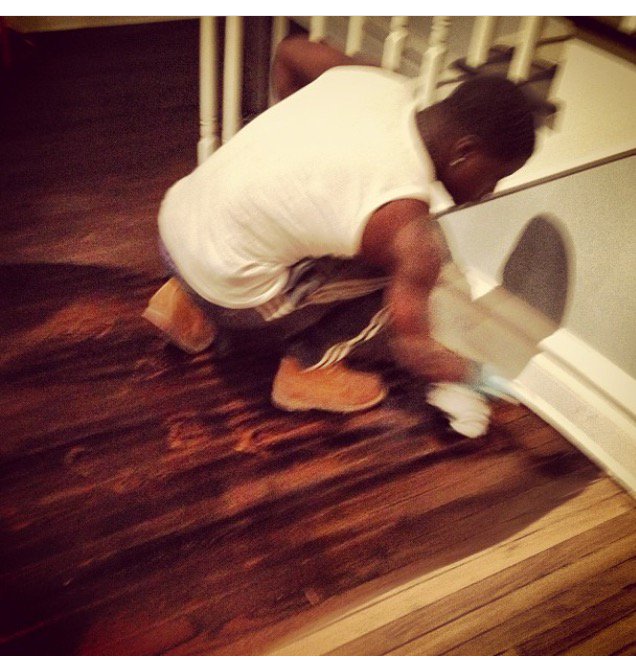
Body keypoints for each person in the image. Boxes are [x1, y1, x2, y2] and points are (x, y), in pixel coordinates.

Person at [143, 35, 536, 422]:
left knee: (312, 232)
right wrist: (473, 374)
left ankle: (183, 301)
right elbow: (413, 345)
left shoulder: (376, 81)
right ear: (464, 151)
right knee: (399, 276)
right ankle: (308, 370)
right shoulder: (405, 221)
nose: (489, 191)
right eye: (494, 176)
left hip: (173, 227)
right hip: (223, 289)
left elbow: (290, 51)